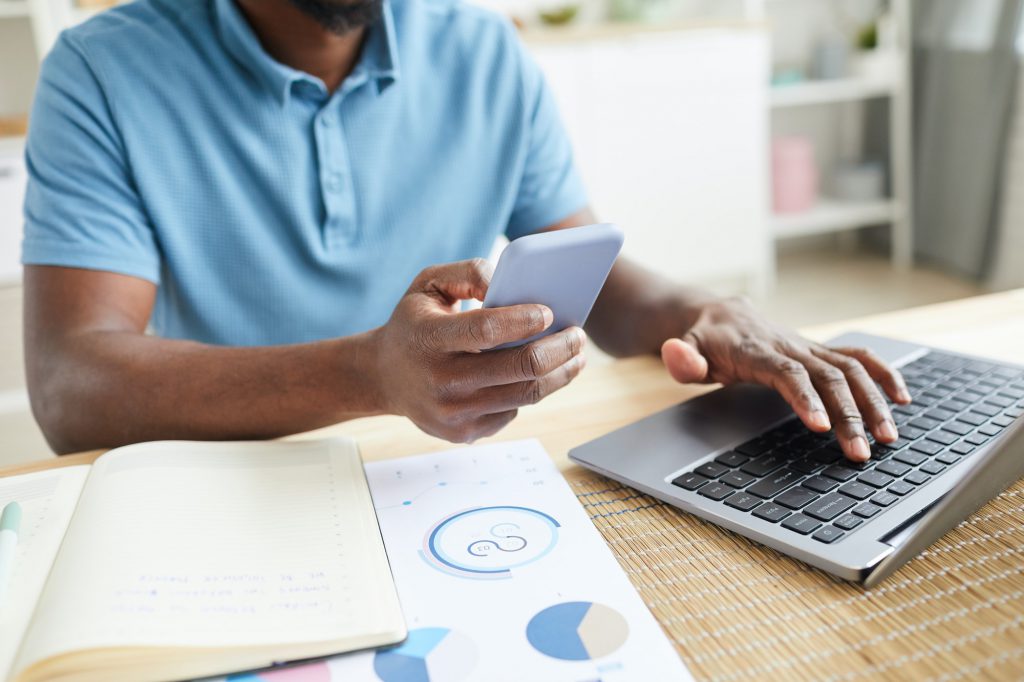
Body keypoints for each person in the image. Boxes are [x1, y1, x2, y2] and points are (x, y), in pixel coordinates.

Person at [21, 0, 910, 458]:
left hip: (447, 477)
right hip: (225, 476)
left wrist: (709, 311)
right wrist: (370, 371)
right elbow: (71, 387)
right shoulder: (101, 70)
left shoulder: (484, 50)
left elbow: (589, 274)